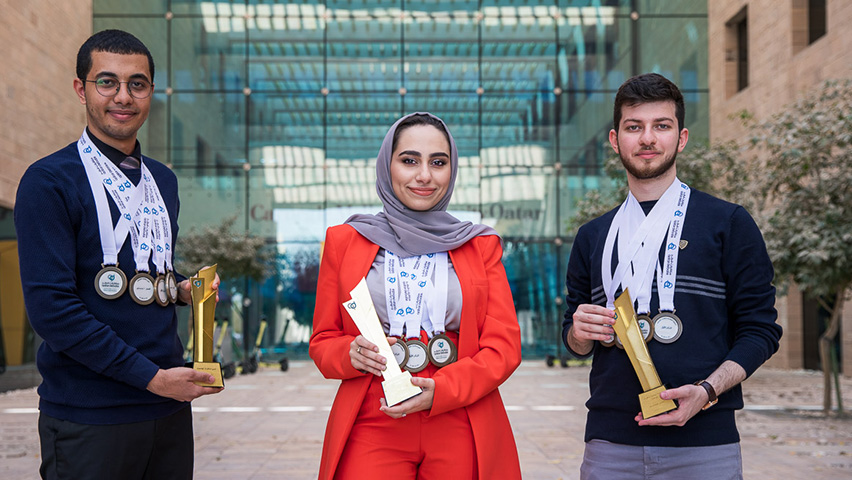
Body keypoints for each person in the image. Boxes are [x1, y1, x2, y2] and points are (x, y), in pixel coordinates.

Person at [14, 29, 222, 480]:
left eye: (137, 84)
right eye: (107, 82)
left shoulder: (162, 181)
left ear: (151, 92)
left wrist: (183, 288)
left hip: (166, 409)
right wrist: (151, 377)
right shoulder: (48, 181)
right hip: (90, 414)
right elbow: (52, 310)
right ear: (80, 89)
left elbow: (145, 268)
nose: (123, 97)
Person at [562, 73, 782, 479]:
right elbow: (574, 343)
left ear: (680, 138)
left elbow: (761, 331)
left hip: (705, 446)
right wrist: (578, 333)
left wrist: (708, 392)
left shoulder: (728, 223)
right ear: (615, 140)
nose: (647, 138)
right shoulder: (592, 237)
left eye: (660, 126)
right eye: (634, 127)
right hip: (610, 446)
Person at [310, 112, 522, 479]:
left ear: (452, 171)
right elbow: (322, 341)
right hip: (374, 414)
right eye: (409, 160)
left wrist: (442, 390)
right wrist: (349, 353)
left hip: (459, 412)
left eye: (438, 163)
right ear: (386, 166)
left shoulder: (480, 244)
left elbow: (504, 347)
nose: (424, 175)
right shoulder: (345, 241)